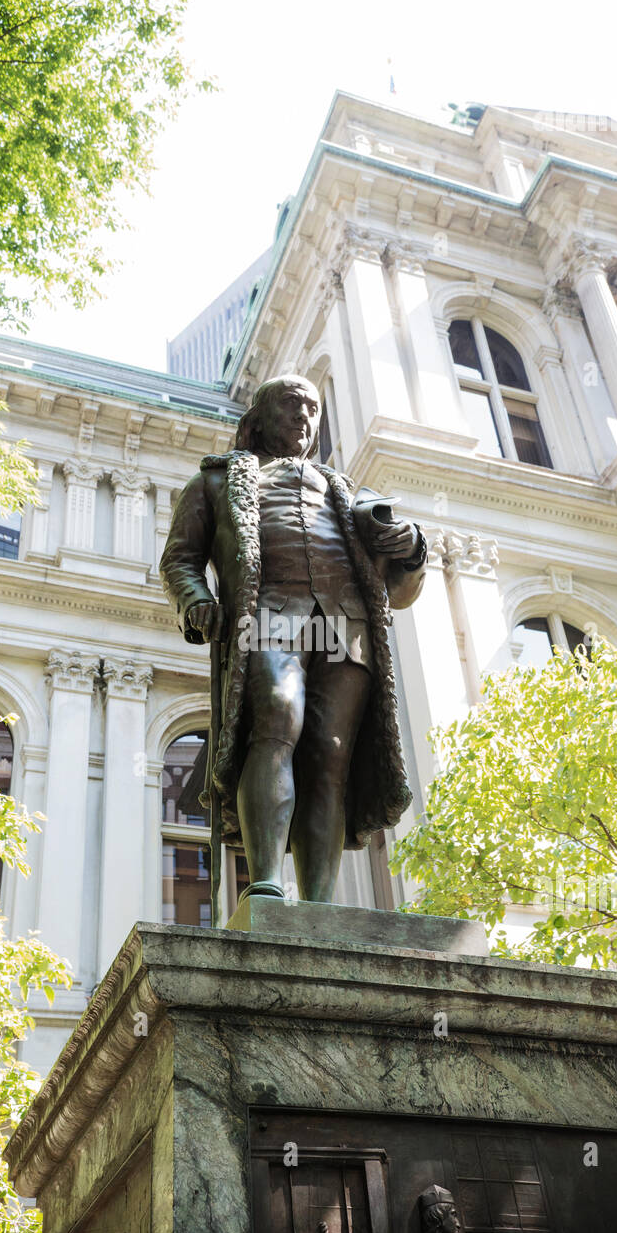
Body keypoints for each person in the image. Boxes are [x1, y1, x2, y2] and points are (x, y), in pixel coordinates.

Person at [160, 373, 427, 905]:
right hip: (269, 613)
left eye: (313, 409)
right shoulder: (214, 483)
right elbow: (179, 559)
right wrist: (196, 601)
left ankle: (320, 903)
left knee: (330, 753)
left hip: (345, 622)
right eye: (292, 404)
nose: (305, 417)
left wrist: (412, 547)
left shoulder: (350, 493)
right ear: (259, 417)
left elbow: (399, 587)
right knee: (278, 719)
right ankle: (265, 886)